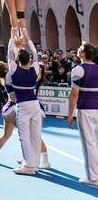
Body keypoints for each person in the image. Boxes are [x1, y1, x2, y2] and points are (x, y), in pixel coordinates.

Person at [0, 61, 50, 168]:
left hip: (8, 109)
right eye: (6, 64)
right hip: (19, 108)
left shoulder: (10, 77)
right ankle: (43, 160)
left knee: (7, 135)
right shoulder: (12, 76)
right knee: (32, 135)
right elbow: (16, 97)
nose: (9, 64)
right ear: (5, 69)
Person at [5, 30, 43, 175]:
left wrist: (12, 39)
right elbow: (36, 55)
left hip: (23, 105)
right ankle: (35, 163)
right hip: (35, 104)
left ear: (18, 60)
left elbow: (9, 55)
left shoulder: (14, 70)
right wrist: (28, 40)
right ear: (29, 59)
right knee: (36, 135)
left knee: (24, 136)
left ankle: (29, 166)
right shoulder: (35, 69)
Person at [67, 42, 98, 187]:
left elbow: (74, 94)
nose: (78, 51)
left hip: (86, 109)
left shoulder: (78, 70)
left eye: (80, 50)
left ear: (83, 54)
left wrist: (70, 114)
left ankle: (93, 178)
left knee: (89, 144)